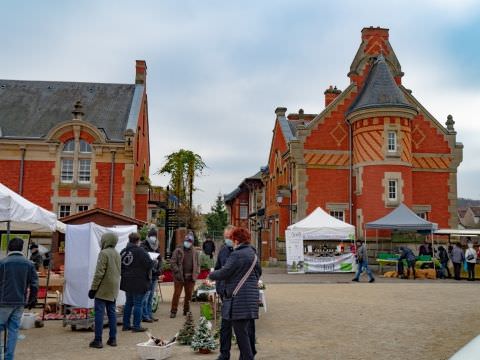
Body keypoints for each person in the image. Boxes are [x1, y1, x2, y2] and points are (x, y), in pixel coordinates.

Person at [209, 227, 262, 360]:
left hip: (238, 300)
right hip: (249, 298)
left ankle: (248, 357)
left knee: (242, 335)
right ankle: (238, 355)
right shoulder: (252, 253)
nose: (229, 241)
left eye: (231, 238)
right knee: (242, 332)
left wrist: (210, 275)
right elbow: (258, 272)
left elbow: (225, 271)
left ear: (236, 240)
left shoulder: (237, 254)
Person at [0, 237, 38, 360]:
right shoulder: (29, 264)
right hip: (20, 301)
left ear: (9, 248)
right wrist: (32, 299)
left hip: (4, 301)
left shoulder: (3, 263)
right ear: (22, 248)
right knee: (13, 331)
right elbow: (34, 284)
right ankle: (9, 357)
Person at [88, 232, 121, 348]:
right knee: (112, 313)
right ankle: (113, 339)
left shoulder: (103, 253)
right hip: (114, 287)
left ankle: (98, 340)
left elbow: (99, 273)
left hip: (103, 287)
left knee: (99, 314)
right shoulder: (117, 254)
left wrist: (93, 289)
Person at [120, 232, 153, 332]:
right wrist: (154, 261)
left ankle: (126, 325)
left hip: (126, 280)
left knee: (128, 303)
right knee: (138, 304)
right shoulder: (141, 251)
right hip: (138, 281)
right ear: (138, 241)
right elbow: (149, 264)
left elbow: (120, 265)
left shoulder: (123, 251)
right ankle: (136, 326)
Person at [214, 225, 235, 360]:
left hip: (237, 293)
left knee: (241, 328)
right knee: (225, 326)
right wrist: (219, 287)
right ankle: (224, 353)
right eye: (225, 237)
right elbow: (217, 268)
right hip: (225, 293)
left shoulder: (241, 251)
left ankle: (248, 353)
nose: (227, 240)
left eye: (229, 237)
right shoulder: (223, 250)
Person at [169, 233, 200, 318]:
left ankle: (186, 311)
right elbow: (172, 262)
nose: (188, 243)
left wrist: (196, 273)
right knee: (177, 294)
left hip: (190, 278)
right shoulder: (178, 250)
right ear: (184, 241)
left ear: (192, 242)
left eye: (190, 241)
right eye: (186, 241)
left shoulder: (195, 252)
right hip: (179, 277)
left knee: (189, 295)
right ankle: (173, 311)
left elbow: (198, 264)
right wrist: (177, 272)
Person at [141, 227, 162, 323]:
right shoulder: (143, 245)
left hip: (155, 274)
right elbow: (145, 260)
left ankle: (149, 314)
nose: (153, 238)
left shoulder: (157, 245)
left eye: (155, 236)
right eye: (152, 236)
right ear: (148, 236)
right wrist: (153, 267)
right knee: (145, 296)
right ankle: (144, 315)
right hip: (147, 274)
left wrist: (159, 269)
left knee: (151, 296)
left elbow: (160, 258)